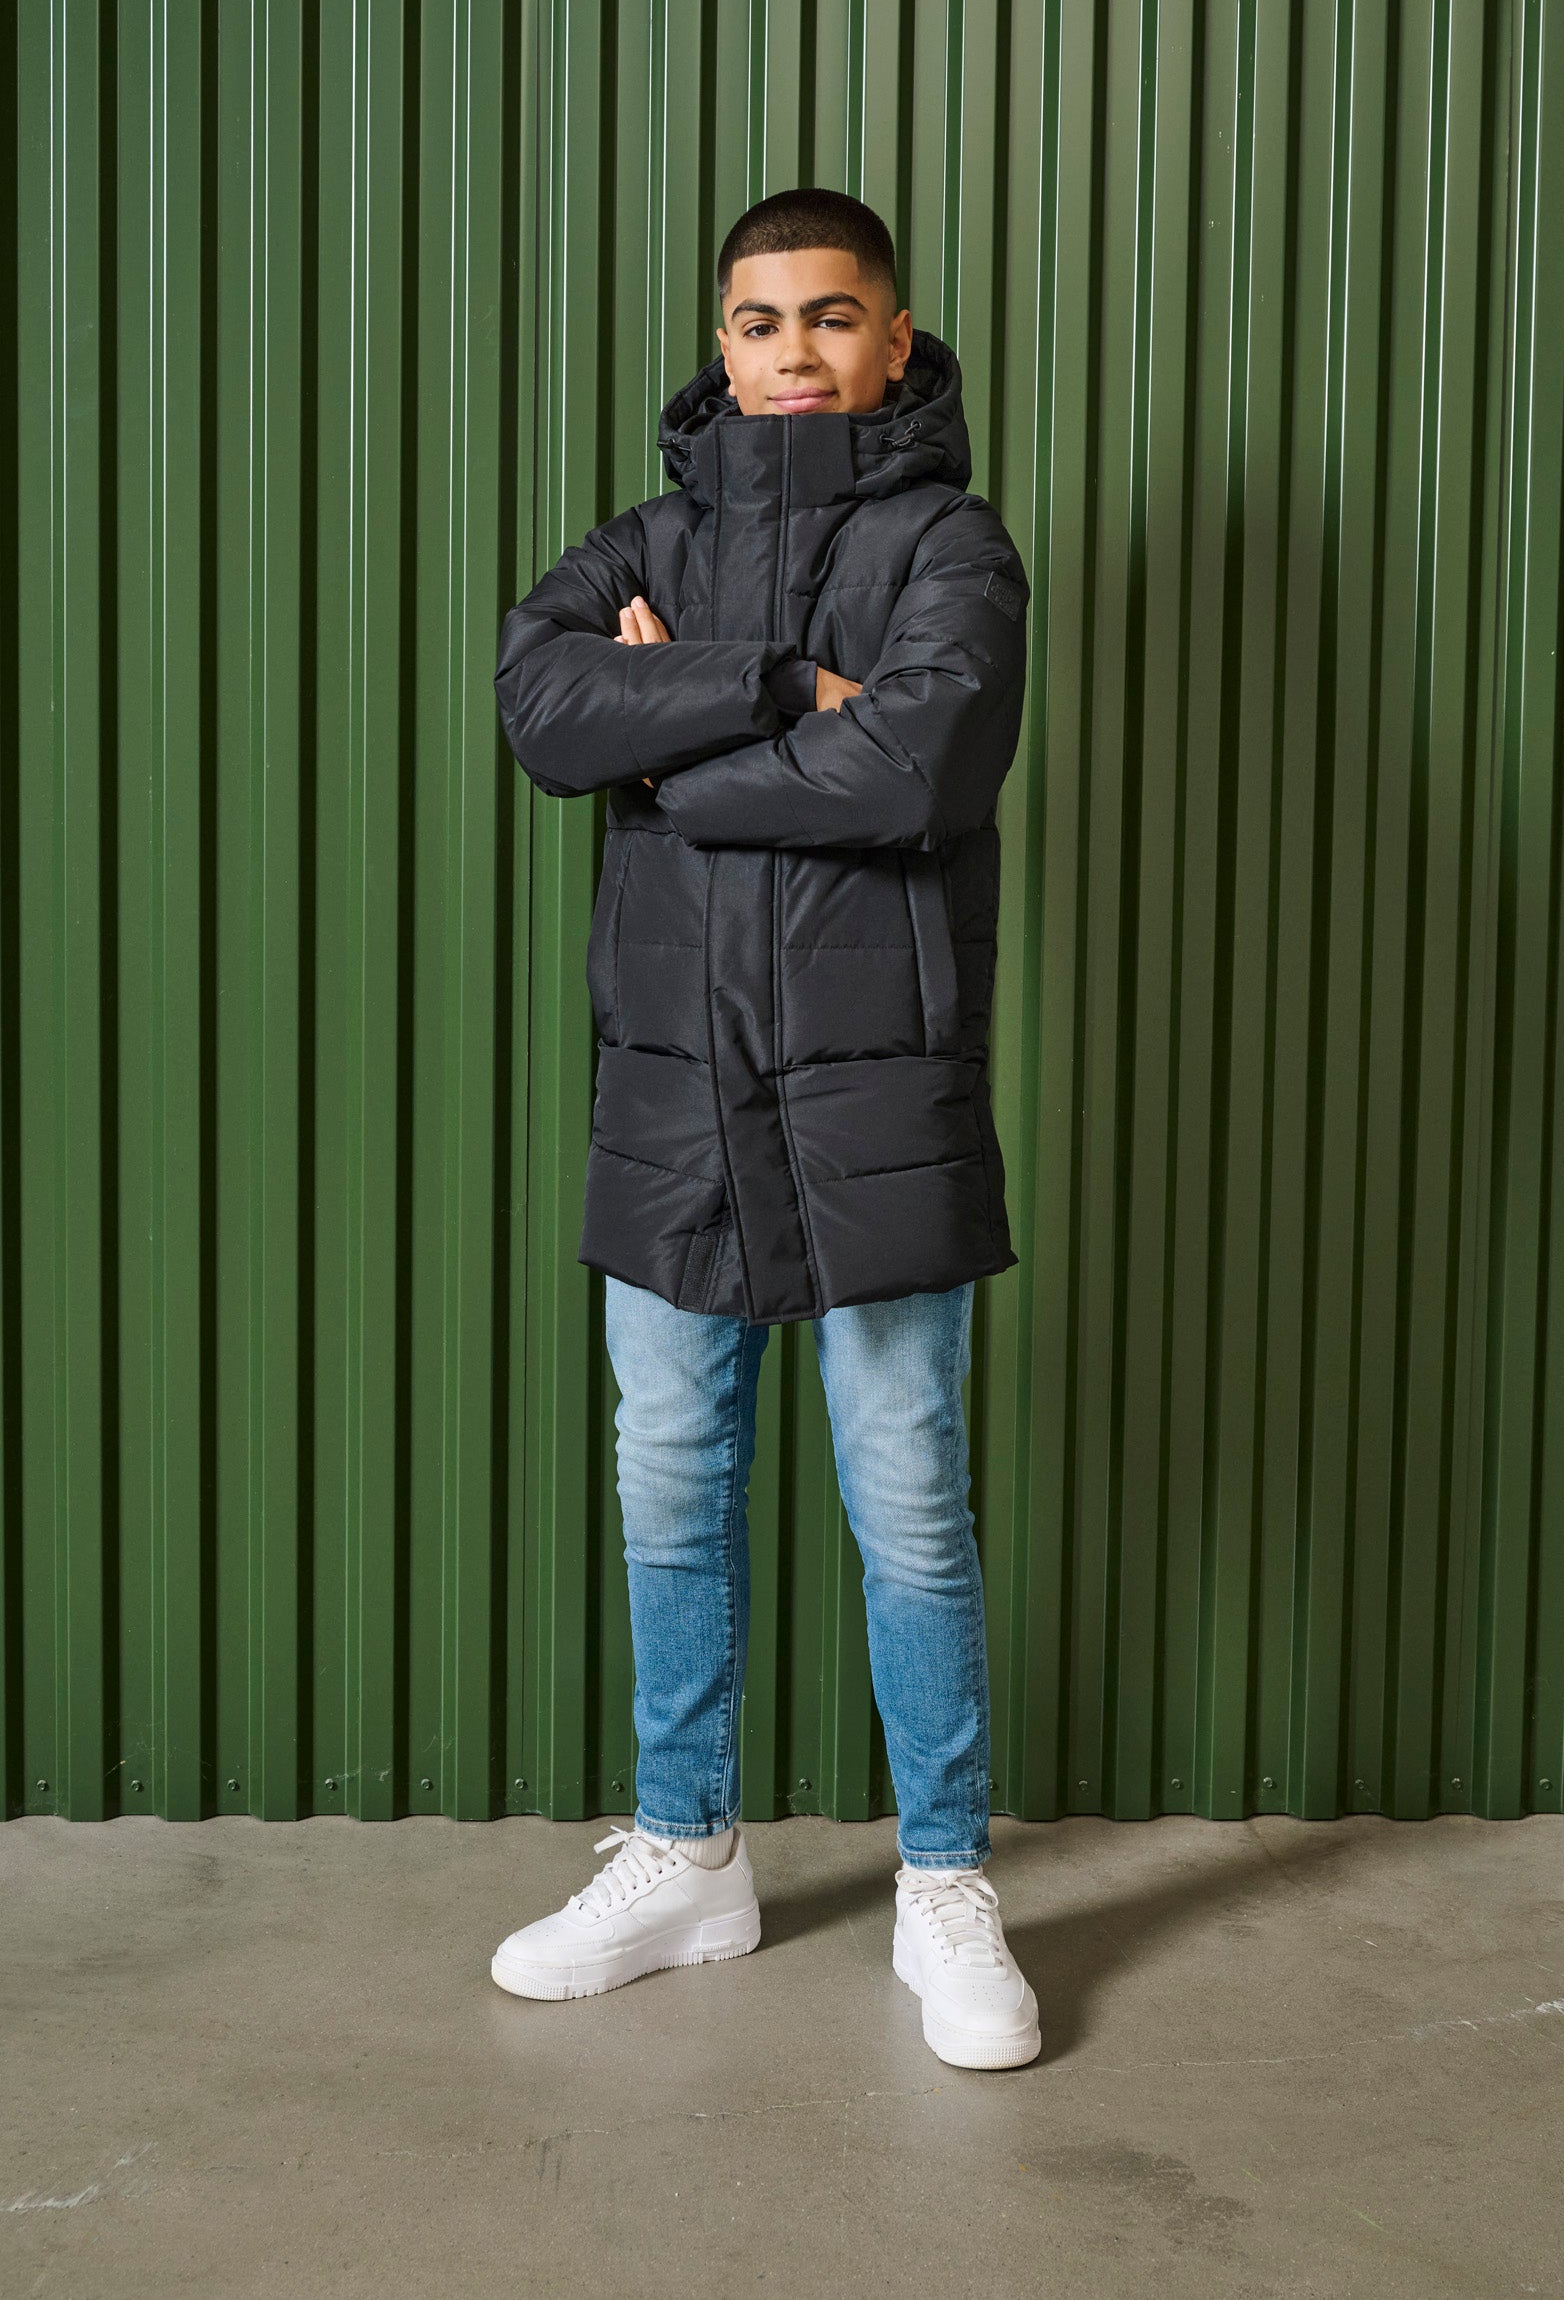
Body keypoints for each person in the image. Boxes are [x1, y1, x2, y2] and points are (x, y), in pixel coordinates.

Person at [490, 188, 1038, 2070]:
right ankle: (687, 1848)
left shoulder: (955, 546)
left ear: (895, 339)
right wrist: (776, 688)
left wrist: (664, 758)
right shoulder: (643, 538)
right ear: (718, 347)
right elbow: (540, 699)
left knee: (907, 1493)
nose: (792, 351)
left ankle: (945, 1880)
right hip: (669, 1083)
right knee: (668, 1472)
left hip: (879, 1087)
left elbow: (921, 761)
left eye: (829, 317)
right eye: (756, 321)